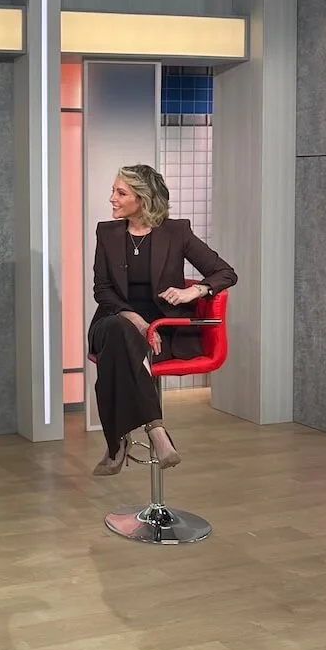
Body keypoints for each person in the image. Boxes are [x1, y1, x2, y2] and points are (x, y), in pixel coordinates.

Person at [88, 164, 236, 476]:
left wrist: (194, 291)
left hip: (164, 332)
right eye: (114, 191)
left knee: (118, 355)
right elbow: (102, 291)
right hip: (116, 320)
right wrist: (139, 323)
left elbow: (225, 272)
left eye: (120, 192)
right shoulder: (108, 233)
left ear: (142, 199)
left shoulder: (176, 232)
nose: (111, 198)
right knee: (120, 330)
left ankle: (116, 444)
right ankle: (157, 430)